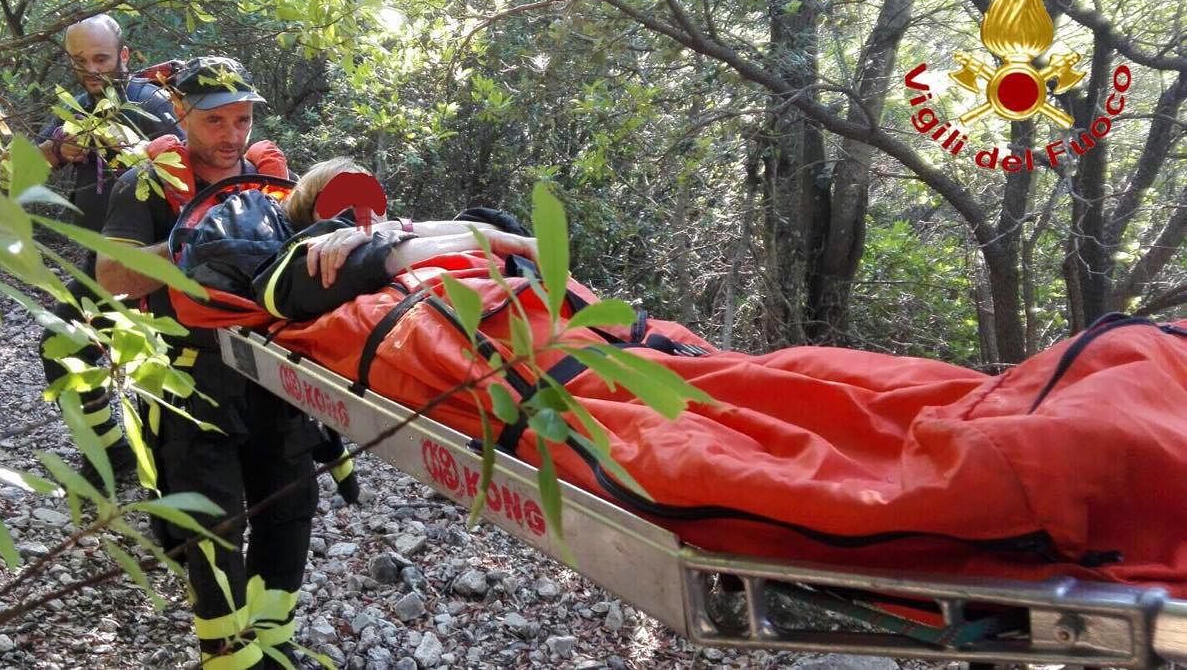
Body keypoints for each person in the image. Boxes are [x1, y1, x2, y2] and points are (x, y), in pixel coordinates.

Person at [174, 168, 1187, 600]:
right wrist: (372, 265)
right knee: (712, 443)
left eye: (366, 210)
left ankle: (1085, 410)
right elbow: (238, 290)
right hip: (493, 351)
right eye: (339, 215)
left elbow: (534, 255)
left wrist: (498, 259)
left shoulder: (419, 234)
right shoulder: (312, 268)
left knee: (792, 383)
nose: (361, 218)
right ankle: (1054, 460)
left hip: (593, 339)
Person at [97, 56, 319, 669]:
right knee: (212, 519)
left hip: (274, 371)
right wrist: (190, 243)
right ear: (180, 114)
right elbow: (110, 274)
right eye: (216, 121)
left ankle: (273, 641)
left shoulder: (273, 181)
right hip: (189, 374)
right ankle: (224, 653)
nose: (231, 136)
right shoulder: (146, 183)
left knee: (289, 507)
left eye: (243, 120)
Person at [34, 14, 183, 478]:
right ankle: (113, 453)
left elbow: (185, 163)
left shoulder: (153, 100)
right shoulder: (75, 107)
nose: (91, 70)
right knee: (62, 346)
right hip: (99, 265)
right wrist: (59, 149)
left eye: (100, 58)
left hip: (154, 262)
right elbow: (22, 174)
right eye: (80, 61)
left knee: (154, 371)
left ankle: (157, 468)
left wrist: (128, 146)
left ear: (124, 56)